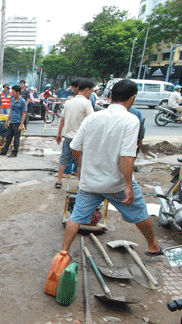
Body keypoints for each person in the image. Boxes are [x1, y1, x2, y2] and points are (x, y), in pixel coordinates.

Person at [60, 79, 162, 257]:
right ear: (132, 98)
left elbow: (75, 146)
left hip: (90, 182)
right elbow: (127, 157)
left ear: (111, 96)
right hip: (116, 184)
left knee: (76, 217)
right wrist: (128, 185)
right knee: (140, 213)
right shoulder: (131, 120)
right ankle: (153, 246)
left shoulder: (93, 117)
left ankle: (63, 253)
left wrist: (81, 167)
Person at [55, 78, 95, 189]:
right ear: (86, 90)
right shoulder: (86, 103)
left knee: (63, 159)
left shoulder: (68, 102)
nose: (91, 93)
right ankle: (81, 184)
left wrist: (59, 133)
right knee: (80, 162)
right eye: (91, 91)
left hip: (68, 137)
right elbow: (92, 120)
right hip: (80, 138)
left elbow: (62, 119)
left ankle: (59, 181)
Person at [0, 85, 27, 158]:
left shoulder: (22, 102)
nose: (12, 94)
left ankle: (14, 153)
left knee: (16, 139)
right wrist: (7, 121)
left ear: (18, 92)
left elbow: (24, 114)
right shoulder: (12, 100)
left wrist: (21, 125)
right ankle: (4, 151)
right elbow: (11, 111)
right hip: (11, 122)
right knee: (8, 138)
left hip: (17, 122)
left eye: (13, 92)